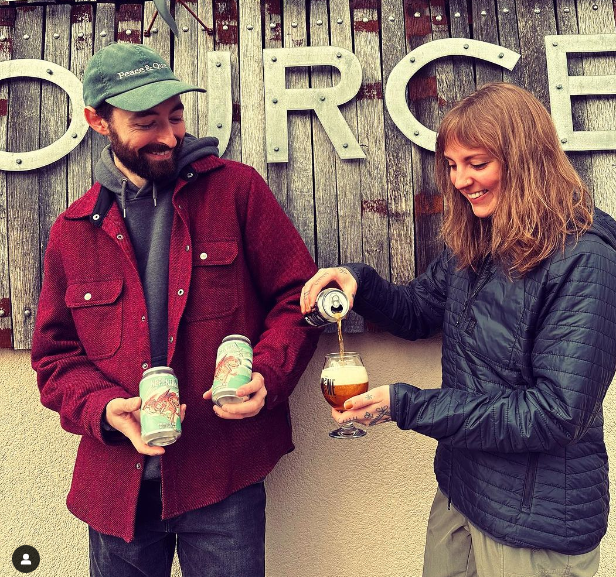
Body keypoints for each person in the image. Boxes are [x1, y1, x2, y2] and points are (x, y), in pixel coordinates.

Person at [301, 83, 616, 577]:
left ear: (524, 159)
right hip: (461, 489)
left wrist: (408, 405)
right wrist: (359, 283)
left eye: (477, 163)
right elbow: (418, 310)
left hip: (533, 521)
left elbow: (554, 414)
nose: (461, 180)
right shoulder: (481, 235)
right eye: (451, 165)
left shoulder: (585, 257)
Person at [32, 42, 319, 577]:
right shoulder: (71, 232)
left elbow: (298, 298)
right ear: (98, 121)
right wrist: (104, 409)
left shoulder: (236, 190)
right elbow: (55, 359)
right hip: (116, 492)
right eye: (146, 123)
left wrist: (268, 372)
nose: (168, 135)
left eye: (176, 116)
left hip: (222, 477)